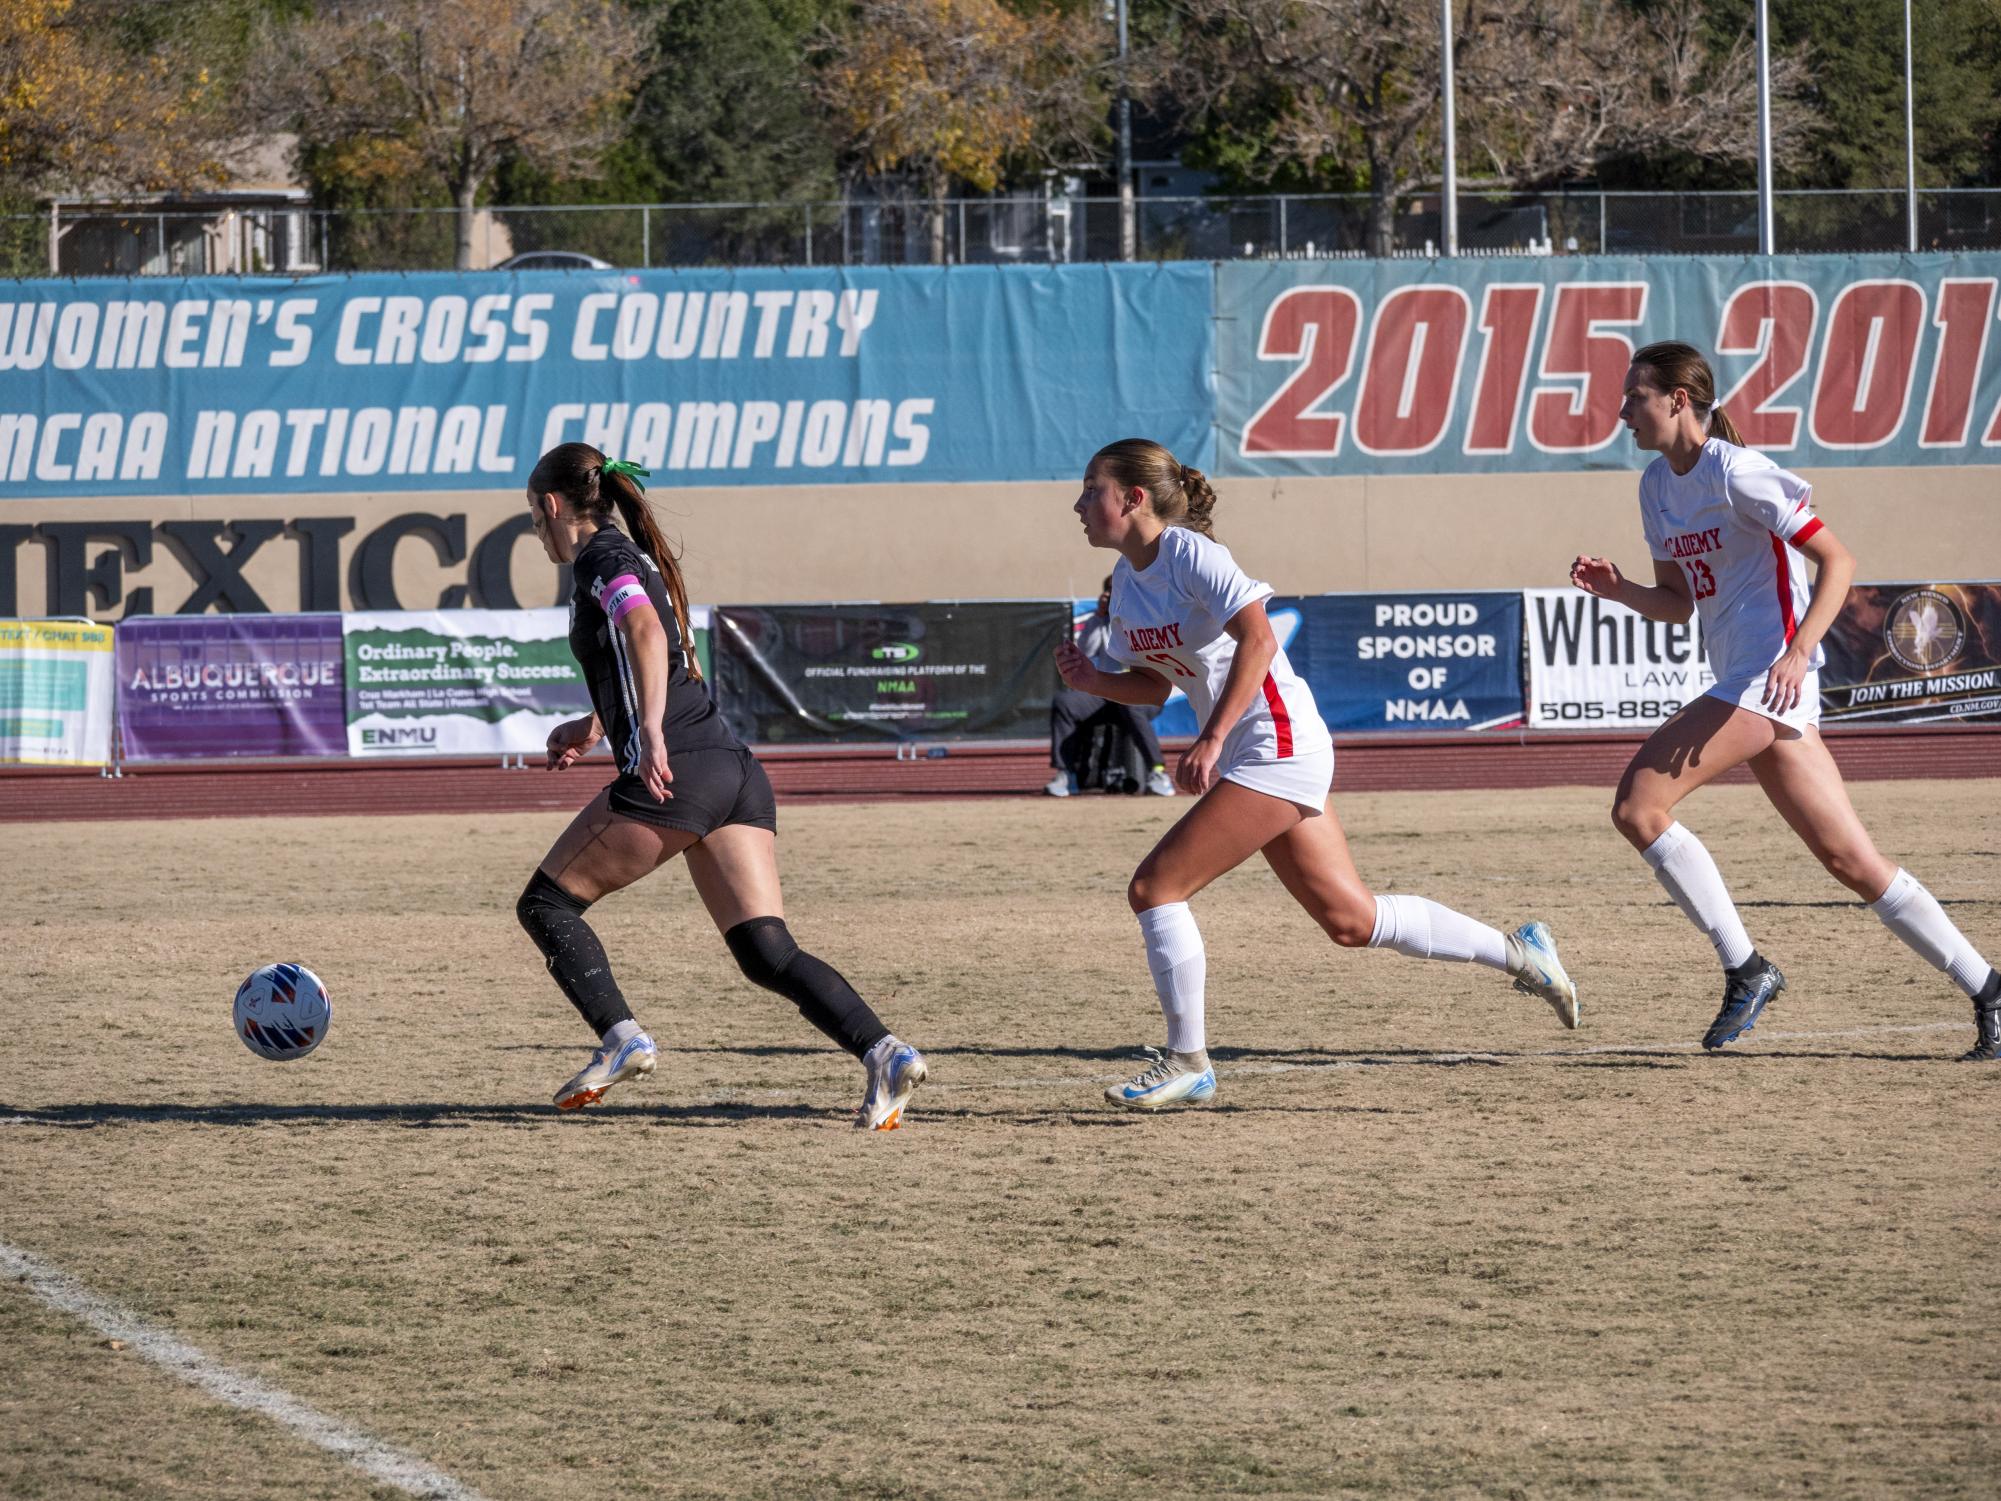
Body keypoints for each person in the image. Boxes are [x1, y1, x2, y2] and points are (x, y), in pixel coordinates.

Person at [1057, 438, 1580, 1110]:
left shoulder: (1189, 553)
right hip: (1263, 751)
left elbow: (1260, 638)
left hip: (1276, 742)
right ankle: (1519, 950)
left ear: (1132, 498)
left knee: (1154, 887)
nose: (1077, 504)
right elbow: (1156, 689)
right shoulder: (1126, 588)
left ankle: (1188, 1060)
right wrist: (1095, 678)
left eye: (1089, 487)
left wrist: (1213, 737)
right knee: (1351, 920)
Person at [1572, 341, 1998, 1060]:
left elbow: (1839, 559)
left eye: (1633, 397)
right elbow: (1678, 603)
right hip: (1760, 687)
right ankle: (1990, 988)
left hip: (1765, 678)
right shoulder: (1654, 486)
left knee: (1637, 806)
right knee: (1850, 861)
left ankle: (1746, 968)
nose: (1620, 412)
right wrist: (1619, 591)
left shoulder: (1737, 471)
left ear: (1677, 400)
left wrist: (1800, 650)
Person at [516, 443, 929, 1125]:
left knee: (545, 905)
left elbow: (645, 631)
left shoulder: (600, 557)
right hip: (732, 769)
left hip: (680, 768)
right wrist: (596, 723)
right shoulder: (631, 555)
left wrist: (648, 731)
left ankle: (621, 1039)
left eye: (534, 518)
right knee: (767, 951)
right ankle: (884, 1052)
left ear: (552, 505)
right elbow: (667, 652)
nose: (537, 532)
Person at [1047, 575, 1175, 797]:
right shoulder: (1101, 622)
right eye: (1108, 590)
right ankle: (1065, 775)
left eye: (1116, 590)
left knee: (1130, 705)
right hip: (1107, 693)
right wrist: (1098, 618)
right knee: (1065, 702)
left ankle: (1158, 773)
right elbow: (1086, 651)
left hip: (1145, 692)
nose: (1111, 595)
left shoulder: (1146, 616)